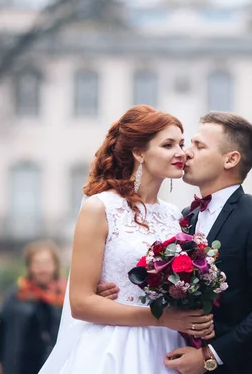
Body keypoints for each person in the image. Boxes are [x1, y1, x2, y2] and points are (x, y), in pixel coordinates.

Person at [98, 112, 252, 374]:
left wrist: (210, 356)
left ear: (231, 159)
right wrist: (116, 294)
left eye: (198, 146)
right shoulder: (181, 219)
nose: (185, 153)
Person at [38, 105, 214, 374]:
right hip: (115, 347)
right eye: (168, 145)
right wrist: (162, 318)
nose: (181, 152)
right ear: (139, 152)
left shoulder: (174, 216)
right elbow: (81, 303)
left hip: (167, 346)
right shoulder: (101, 207)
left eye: (181, 143)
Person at [0, 240, 66, 374]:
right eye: (37, 263)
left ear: (55, 266)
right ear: (29, 266)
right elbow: (2, 331)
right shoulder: (17, 294)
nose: (43, 269)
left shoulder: (66, 297)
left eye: (47, 263)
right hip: (17, 366)